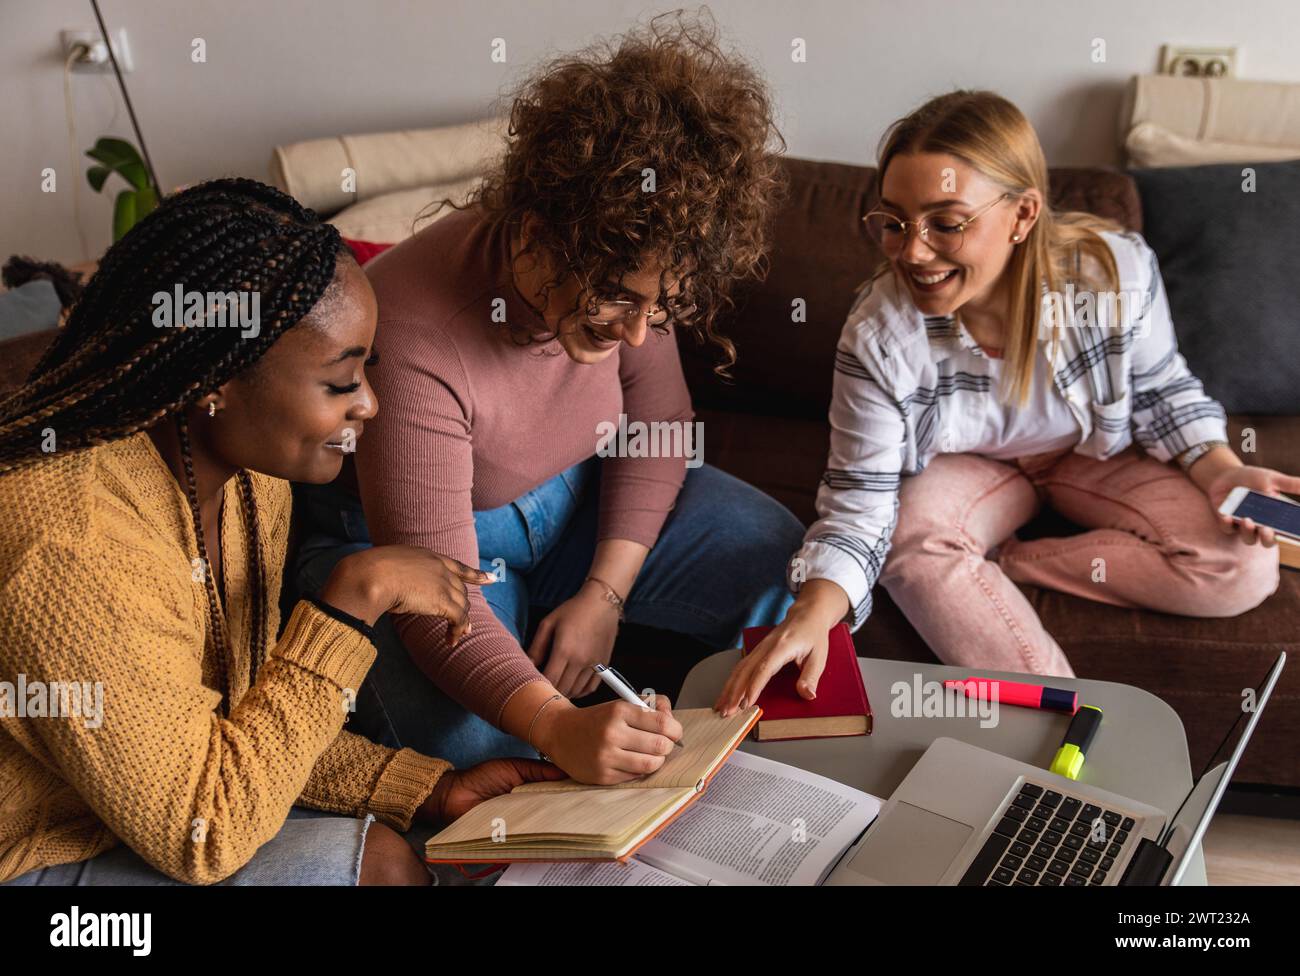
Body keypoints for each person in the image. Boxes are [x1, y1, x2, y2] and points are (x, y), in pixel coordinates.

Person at [0, 179, 564, 886]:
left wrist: (428, 789)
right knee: (382, 869)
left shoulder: (251, 479)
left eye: (367, 372)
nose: (371, 405)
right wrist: (350, 602)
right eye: (339, 383)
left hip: (153, 810)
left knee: (432, 852)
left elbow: (235, 722)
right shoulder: (70, 543)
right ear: (216, 380)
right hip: (39, 855)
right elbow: (202, 831)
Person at [295, 13, 805, 783]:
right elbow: (439, 607)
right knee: (477, 748)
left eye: (660, 309)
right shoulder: (413, 327)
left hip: (568, 504)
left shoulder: (640, 262)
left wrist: (606, 594)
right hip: (421, 556)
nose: (638, 335)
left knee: (780, 557)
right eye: (616, 301)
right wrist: (558, 725)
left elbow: (660, 426)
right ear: (537, 231)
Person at [717, 90, 1291, 714]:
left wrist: (1220, 470)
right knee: (914, 538)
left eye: (947, 221)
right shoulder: (880, 333)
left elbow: (1161, 391)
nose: (912, 250)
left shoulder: (1113, 273)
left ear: (1022, 215)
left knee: (1244, 567)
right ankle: (1064, 729)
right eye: (895, 221)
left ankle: (1013, 561)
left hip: (1087, 453)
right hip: (971, 465)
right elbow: (861, 503)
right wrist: (814, 609)